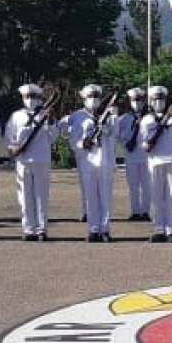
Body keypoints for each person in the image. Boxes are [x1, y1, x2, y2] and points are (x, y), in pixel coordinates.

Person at [63, 84, 117, 242]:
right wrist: (82, 144)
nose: (93, 99)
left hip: (105, 159)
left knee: (105, 197)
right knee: (90, 197)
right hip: (87, 161)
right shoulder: (77, 116)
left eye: (96, 96)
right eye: (90, 96)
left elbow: (114, 133)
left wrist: (104, 124)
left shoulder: (110, 115)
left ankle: (105, 229)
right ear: (84, 98)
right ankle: (93, 229)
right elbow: (73, 138)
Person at [5, 83, 58, 241]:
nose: (30, 99)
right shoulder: (16, 116)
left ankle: (42, 229)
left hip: (41, 158)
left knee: (41, 195)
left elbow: (53, 137)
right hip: (23, 159)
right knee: (24, 196)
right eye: (26, 96)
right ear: (22, 98)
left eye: (33, 96)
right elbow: (10, 136)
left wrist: (51, 121)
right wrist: (13, 148)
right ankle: (29, 229)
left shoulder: (45, 113)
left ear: (38, 98)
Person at [139, 86, 172, 243]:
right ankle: (159, 228)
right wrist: (148, 144)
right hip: (155, 160)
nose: (158, 102)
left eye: (161, 99)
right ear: (151, 101)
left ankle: (170, 229)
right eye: (155, 99)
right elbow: (142, 141)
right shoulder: (147, 119)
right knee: (156, 197)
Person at [116, 87, 150, 221]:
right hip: (131, 156)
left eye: (139, 100)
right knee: (133, 187)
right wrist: (127, 141)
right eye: (134, 100)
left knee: (147, 186)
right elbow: (117, 135)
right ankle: (135, 211)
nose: (137, 102)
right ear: (130, 101)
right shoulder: (124, 118)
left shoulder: (149, 117)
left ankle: (145, 212)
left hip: (146, 156)